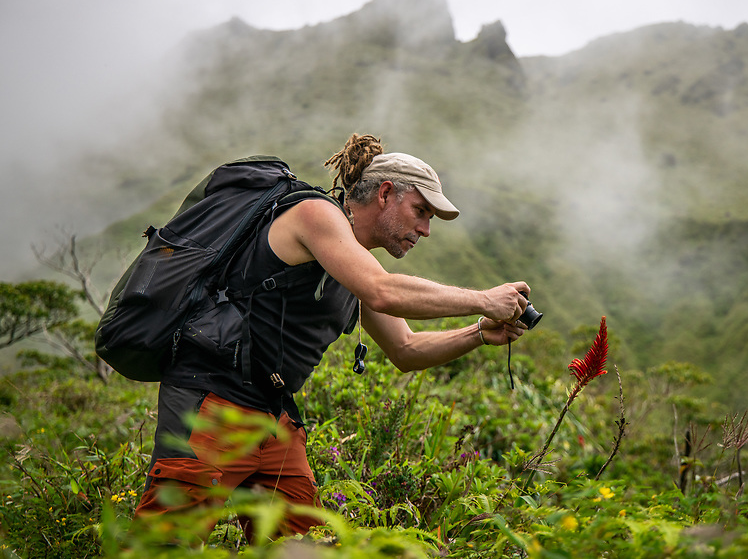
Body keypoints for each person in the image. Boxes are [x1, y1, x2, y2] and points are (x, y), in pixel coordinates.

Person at [134, 134, 530, 541]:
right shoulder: (314, 215)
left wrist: (480, 333)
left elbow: (406, 349)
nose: (425, 229)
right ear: (386, 194)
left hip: (272, 418)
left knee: (299, 547)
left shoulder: (356, 264)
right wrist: (483, 299)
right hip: (211, 403)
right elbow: (384, 291)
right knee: (165, 544)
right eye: (421, 211)